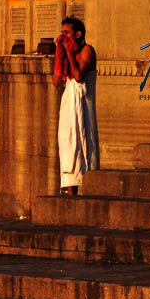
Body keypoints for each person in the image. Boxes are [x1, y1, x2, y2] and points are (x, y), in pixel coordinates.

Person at [52, 16, 98, 195]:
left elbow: (78, 76)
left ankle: (87, 188)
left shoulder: (88, 50)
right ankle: (71, 192)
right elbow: (56, 82)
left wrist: (70, 53)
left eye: (67, 34)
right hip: (68, 105)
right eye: (61, 34)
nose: (63, 38)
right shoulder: (64, 52)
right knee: (68, 143)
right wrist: (59, 54)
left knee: (84, 142)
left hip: (83, 105)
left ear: (78, 34)